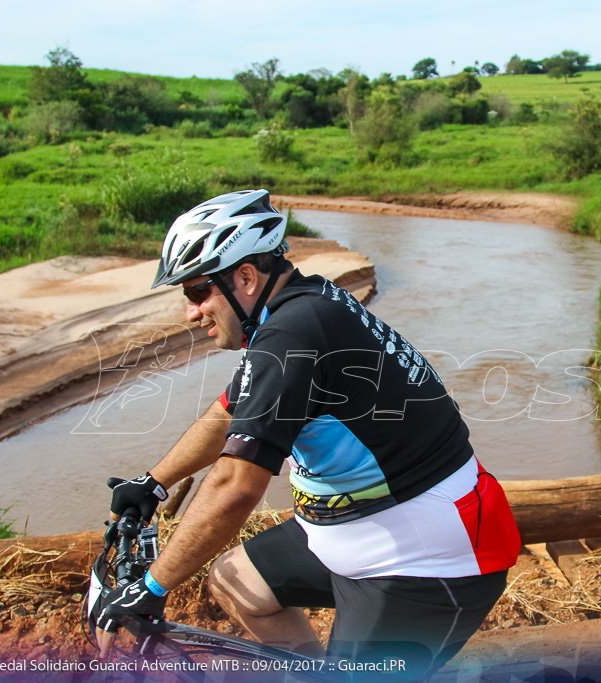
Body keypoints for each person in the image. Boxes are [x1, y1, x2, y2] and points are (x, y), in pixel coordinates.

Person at [96, 189, 521, 677]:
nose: (191, 312)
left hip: (426, 561)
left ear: (246, 277)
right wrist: (154, 482)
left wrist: (149, 589)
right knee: (239, 584)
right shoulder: (298, 309)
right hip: (359, 535)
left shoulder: (292, 334)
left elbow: (236, 486)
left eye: (197, 292)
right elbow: (225, 415)